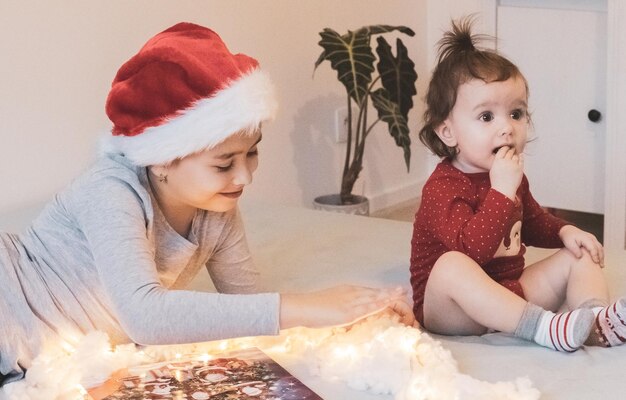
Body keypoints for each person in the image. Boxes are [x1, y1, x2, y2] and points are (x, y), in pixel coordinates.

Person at [0, 22, 414, 385]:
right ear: (162, 158)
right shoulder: (110, 190)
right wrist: (302, 307)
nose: (245, 176)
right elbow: (146, 318)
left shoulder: (218, 213)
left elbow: (252, 307)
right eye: (223, 164)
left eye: (252, 153)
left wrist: (351, 315)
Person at [410, 17, 625, 352]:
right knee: (451, 266)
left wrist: (565, 231)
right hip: (453, 310)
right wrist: (501, 192)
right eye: (486, 117)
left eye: (516, 113)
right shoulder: (443, 187)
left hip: (509, 291)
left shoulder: (510, 176)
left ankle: (594, 323)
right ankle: (543, 328)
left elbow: (534, 223)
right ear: (447, 131)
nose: (507, 128)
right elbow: (473, 252)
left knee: (577, 254)